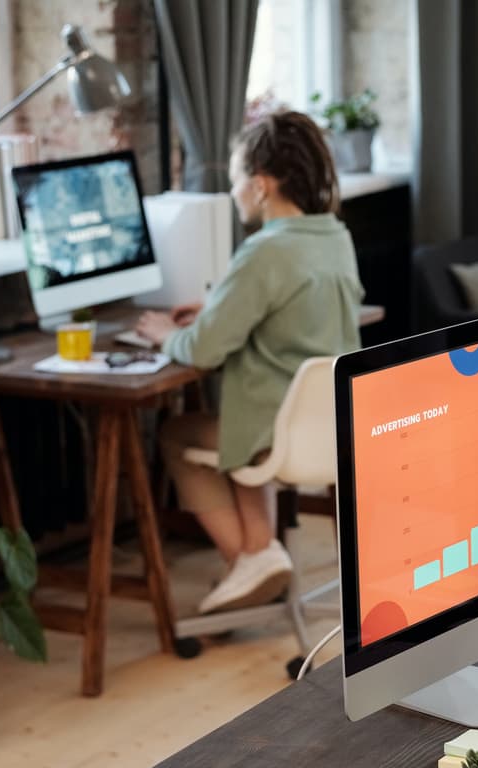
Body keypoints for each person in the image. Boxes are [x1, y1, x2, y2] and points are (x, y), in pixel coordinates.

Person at [136, 111, 364, 615]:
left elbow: (202, 350)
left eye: (237, 179)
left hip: (273, 434)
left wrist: (167, 334)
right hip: (334, 427)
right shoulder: (334, 236)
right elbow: (288, 308)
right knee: (240, 421)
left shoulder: (264, 251)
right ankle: (259, 556)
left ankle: (251, 558)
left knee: (178, 434)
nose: (234, 190)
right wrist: (218, 306)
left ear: (261, 186)